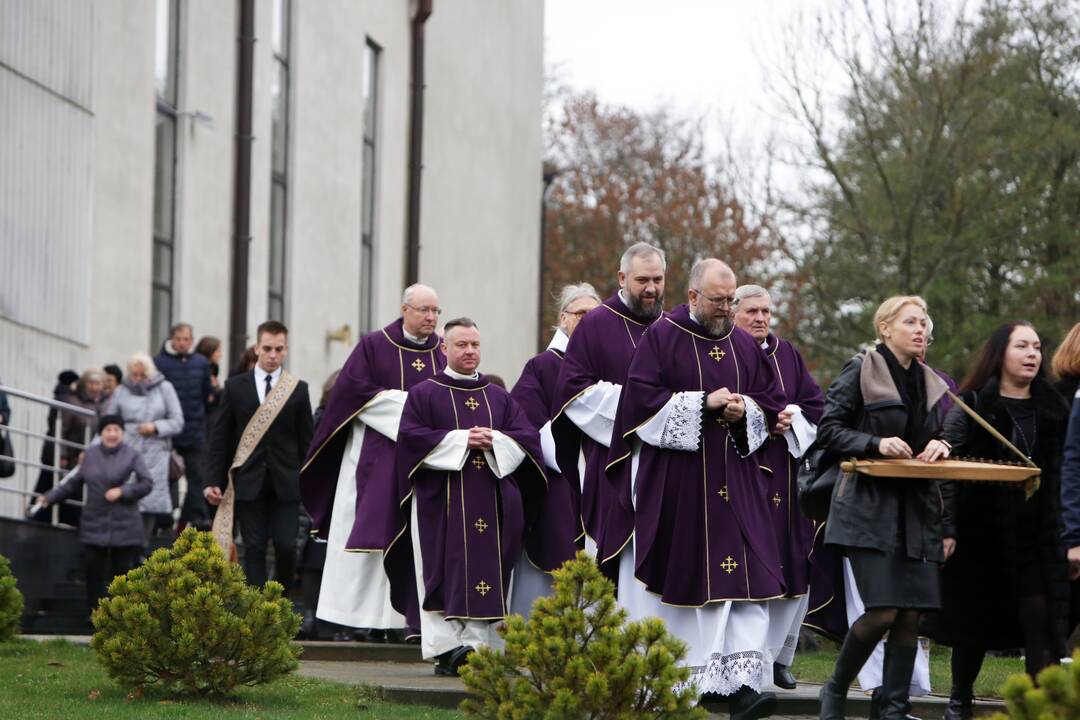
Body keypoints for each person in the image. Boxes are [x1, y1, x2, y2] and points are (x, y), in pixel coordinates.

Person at [608, 259, 787, 719]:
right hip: (682, 486)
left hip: (737, 484)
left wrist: (743, 409)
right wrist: (702, 405)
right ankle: (696, 680)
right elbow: (639, 405)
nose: (726, 310)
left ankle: (743, 685)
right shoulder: (662, 337)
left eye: (731, 301)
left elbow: (769, 404)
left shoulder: (746, 347)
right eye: (718, 301)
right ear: (692, 297)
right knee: (693, 581)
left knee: (746, 581)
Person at [816, 296, 954, 720]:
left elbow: (950, 430)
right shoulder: (862, 369)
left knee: (911, 613)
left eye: (924, 322)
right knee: (883, 612)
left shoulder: (931, 380)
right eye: (910, 321)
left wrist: (942, 443)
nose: (920, 329)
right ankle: (835, 689)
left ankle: (893, 708)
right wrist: (874, 443)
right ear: (885, 328)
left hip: (917, 510)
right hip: (866, 510)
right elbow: (829, 430)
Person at [384, 318, 546, 676]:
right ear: (444, 348)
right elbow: (410, 440)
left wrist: (497, 441)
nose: (470, 351)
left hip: (492, 501)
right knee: (441, 568)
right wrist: (460, 440)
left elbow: (527, 438)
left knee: (488, 570)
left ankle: (480, 648)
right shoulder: (424, 394)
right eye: (461, 345)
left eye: (474, 344)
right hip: (439, 504)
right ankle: (445, 648)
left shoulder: (498, 396)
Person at [933, 321, 1070, 720]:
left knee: (1039, 622)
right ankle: (959, 700)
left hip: (1038, 536)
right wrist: (948, 528)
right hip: (981, 535)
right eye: (1022, 346)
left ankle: (1034, 708)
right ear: (1000, 353)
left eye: (1037, 346)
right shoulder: (974, 403)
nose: (1033, 354)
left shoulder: (1055, 408)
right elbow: (948, 467)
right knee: (972, 625)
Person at [300, 284, 446, 640]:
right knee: (368, 538)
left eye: (435, 311)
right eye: (424, 310)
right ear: (405, 309)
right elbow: (354, 396)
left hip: (421, 463)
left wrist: (420, 419)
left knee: (413, 540)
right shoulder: (373, 345)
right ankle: (354, 620)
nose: (430, 318)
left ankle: (402, 623)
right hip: (373, 458)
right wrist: (414, 412)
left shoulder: (442, 353)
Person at [551, 242, 666, 574]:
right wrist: (640, 408)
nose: (651, 288)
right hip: (613, 462)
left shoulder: (671, 326)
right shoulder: (596, 324)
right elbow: (573, 392)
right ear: (621, 277)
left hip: (664, 466)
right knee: (613, 565)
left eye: (658, 279)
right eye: (642, 280)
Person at [732, 284, 825, 691]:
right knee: (750, 565)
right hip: (741, 471)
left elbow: (816, 404)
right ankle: (747, 659)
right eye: (752, 310)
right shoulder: (725, 351)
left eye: (767, 311)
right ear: (733, 312)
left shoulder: (786, 353)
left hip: (785, 475)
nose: (760, 319)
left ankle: (779, 657)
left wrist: (792, 417)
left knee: (793, 559)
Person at [509, 282, 601, 615]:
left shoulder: (607, 366)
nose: (589, 321)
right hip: (559, 481)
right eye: (581, 314)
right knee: (552, 561)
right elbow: (523, 424)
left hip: (600, 478)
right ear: (563, 318)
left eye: (596, 315)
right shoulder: (543, 367)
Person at [206, 321, 313, 592]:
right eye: (267, 348)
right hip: (249, 480)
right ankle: (257, 611)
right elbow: (220, 438)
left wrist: (312, 483)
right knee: (252, 548)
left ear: (286, 350)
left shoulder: (298, 389)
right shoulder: (234, 387)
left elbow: (307, 442)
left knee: (286, 546)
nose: (272, 355)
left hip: (286, 482)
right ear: (257, 348)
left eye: (278, 349)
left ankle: (279, 606)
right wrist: (212, 479)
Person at [33, 414, 153, 617]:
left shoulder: (132, 455)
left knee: (122, 574)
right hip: (94, 523)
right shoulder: (90, 455)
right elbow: (72, 483)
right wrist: (48, 498)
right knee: (93, 572)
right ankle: (95, 617)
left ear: (122, 434)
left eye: (117, 430)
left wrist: (123, 491)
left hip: (125, 525)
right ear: (100, 433)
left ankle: (121, 617)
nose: (112, 434)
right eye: (108, 430)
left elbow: (146, 483)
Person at [105, 353, 184, 544]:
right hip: (125, 449)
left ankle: (140, 550)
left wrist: (155, 427)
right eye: (134, 375)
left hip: (155, 451)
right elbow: (108, 421)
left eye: (142, 375)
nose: (138, 379)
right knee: (123, 499)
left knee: (149, 502)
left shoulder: (165, 388)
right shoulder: (122, 391)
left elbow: (177, 422)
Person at [156, 323, 213, 530]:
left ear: (192, 341)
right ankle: (163, 518)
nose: (182, 342)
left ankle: (199, 519)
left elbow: (206, 394)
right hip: (168, 431)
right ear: (172, 339)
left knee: (197, 476)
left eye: (186, 339)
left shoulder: (200, 363)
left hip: (194, 429)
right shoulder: (159, 362)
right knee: (165, 475)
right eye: (178, 338)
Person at [194, 336, 224, 410]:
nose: (221, 355)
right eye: (218, 351)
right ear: (209, 351)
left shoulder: (214, 367)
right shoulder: (197, 368)